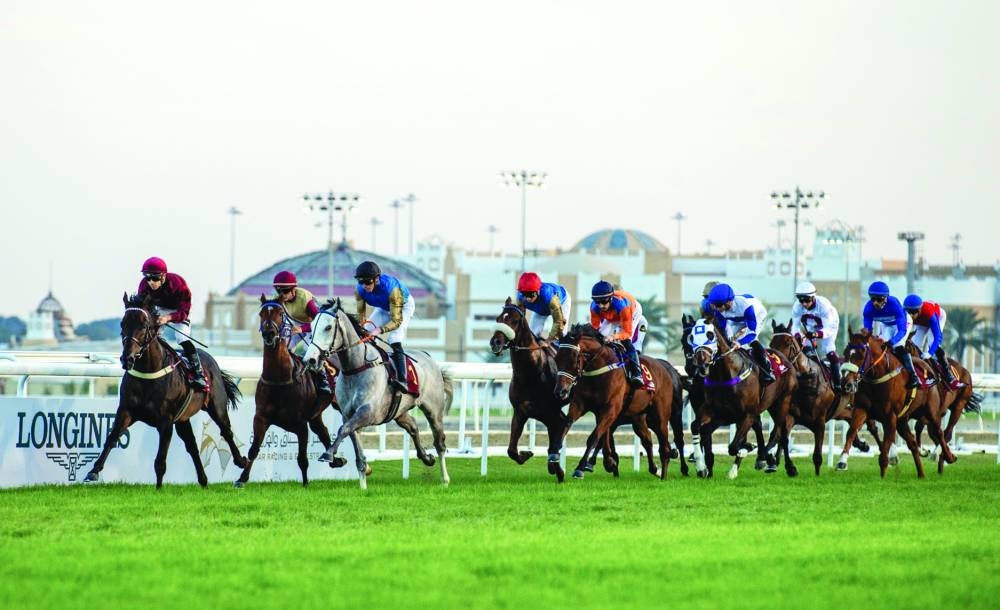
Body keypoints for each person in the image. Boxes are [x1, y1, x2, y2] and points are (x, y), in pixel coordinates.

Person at [136, 256, 208, 391]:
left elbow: (184, 312)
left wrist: (168, 318)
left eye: (155, 278)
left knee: (181, 338)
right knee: (149, 336)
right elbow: (143, 307)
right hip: (157, 309)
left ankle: (199, 373)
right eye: (148, 277)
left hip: (179, 310)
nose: (151, 282)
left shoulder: (178, 283)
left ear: (163, 276)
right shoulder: (144, 285)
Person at [354, 260, 415, 393]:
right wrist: (362, 327)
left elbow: (396, 321)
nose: (364, 286)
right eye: (361, 282)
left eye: (368, 282)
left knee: (394, 338)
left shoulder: (391, 289)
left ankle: (403, 379)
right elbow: (361, 317)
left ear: (376, 279)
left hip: (403, 307)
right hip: (383, 308)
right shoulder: (360, 290)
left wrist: (380, 330)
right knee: (364, 333)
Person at [270, 270, 332, 396]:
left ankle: (324, 380)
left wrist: (302, 329)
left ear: (294, 289)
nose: (282, 294)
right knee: (283, 348)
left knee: (306, 349)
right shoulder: (279, 299)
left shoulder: (305, 298)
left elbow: (319, 322)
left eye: (285, 291)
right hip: (296, 325)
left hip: (314, 327)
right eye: (279, 291)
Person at [706, 283, 775, 383]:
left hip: (756, 315)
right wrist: (730, 338)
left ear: (729, 302)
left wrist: (740, 342)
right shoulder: (719, 307)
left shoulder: (746, 306)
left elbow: (752, 333)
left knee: (751, 341)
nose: (716, 308)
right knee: (729, 341)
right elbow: (724, 326)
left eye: (718, 305)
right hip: (737, 319)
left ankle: (767, 369)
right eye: (714, 305)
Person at [589, 280, 646, 387]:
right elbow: (594, 329)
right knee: (599, 337)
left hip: (632, 312)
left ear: (610, 298)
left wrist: (613, 336)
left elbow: (627, 333)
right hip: (612, 315)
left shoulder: (622, 306)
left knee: (626, 341)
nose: (601, 306)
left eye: (603, 302)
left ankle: (637, 374)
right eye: (597, 302)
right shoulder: (594, 307)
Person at [862, 281, 919, 389]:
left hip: (903, 323)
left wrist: (892, 342)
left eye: (878, 299)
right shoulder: (868, 309)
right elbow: (867, 332)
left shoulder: (894, 305)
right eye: (872, 299)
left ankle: (914, 376)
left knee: (898, 346)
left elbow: (902, 330)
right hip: (886, 325)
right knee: (880, 348)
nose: (875, 303)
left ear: (885, 298)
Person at [903, 294, 965, 389]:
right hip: (921, 322)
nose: (910, 315)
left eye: (913, 312)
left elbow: (938, 337)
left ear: (919, 310)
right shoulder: (906, 314)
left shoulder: (928, 312)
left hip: (937, 317)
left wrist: (930, 352)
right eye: (908, 312)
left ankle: (950, 378)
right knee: (915, 346)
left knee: (932, 343)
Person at [790, 281, 842, 390]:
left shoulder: (823, 305)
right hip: (810, 326)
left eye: (807, 300)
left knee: (829, 350)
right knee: (806, 350)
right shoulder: (797, 306)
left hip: (829, 326)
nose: (804, 303)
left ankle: (837, 383)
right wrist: (798, 336)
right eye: (801, 300)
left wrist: (816, 334)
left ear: (814, 297)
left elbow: (828, 329)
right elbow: (794, 326)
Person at [515, 272, 571, 340]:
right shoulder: (520, 297)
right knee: (532, 335)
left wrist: (548, 341)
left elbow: (559, 322)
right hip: (542, 306)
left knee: (560, 336)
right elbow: (519, 319)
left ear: (538, 291)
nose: (528, 298)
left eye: (531, 294)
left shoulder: (550, 298)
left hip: (562, 302)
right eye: (525, 294)